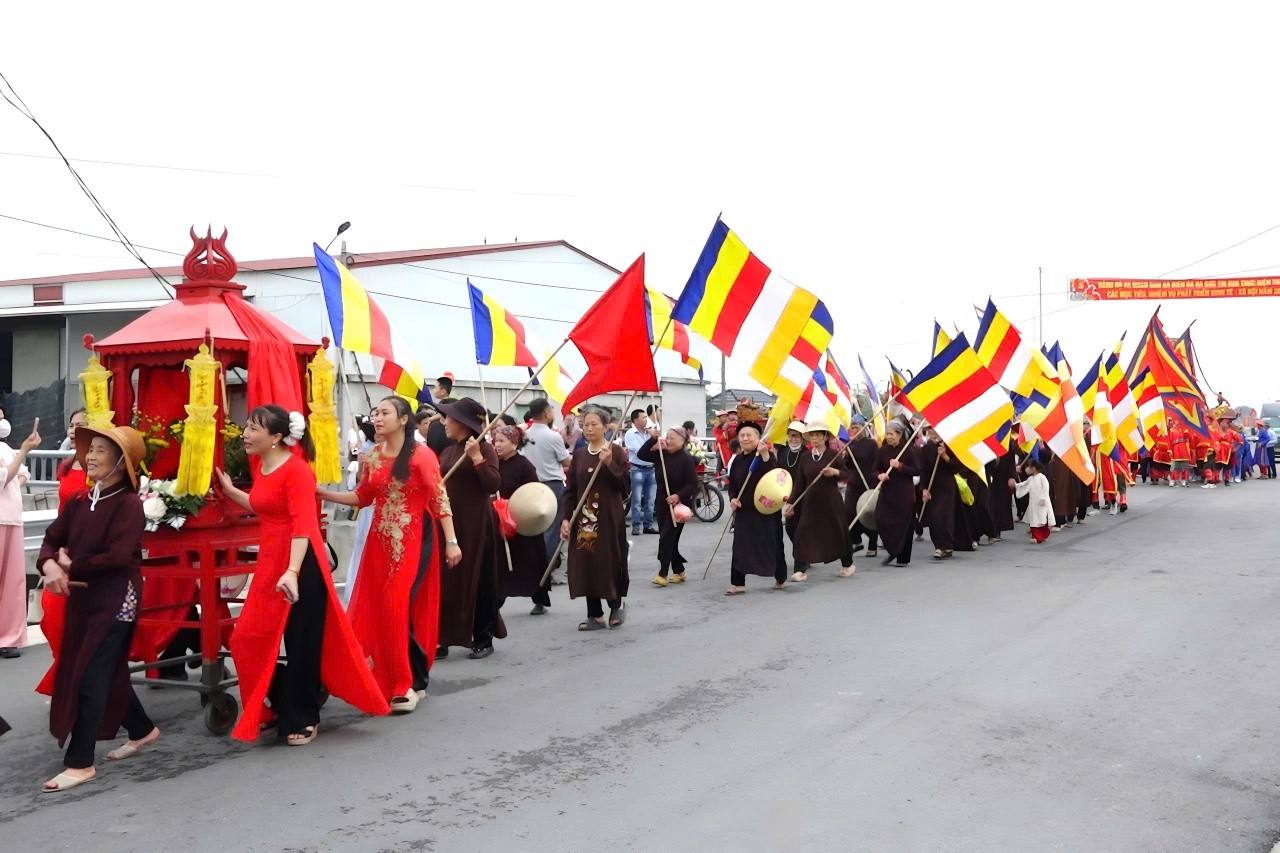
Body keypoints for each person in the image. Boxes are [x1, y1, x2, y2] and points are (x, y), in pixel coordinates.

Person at [218, 405, 388, 745]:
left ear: (276, 437)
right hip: (272, 563)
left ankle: (304, 716)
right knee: (245, 639)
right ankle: (280, 702)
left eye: (253, 429)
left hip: (301, 564)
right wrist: (230, 491)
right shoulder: (262, 465)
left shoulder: (298, 471)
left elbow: (303, 525)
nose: (245, 434)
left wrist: (293, 571)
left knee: (301, 643)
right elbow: (264, 505)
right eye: (247, 427)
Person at [36, 422, 160, 792]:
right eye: (90, 449)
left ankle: (80, 762)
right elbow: (52, 538)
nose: (90, 456)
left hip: (117, 600)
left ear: (122, 463)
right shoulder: (79, 501)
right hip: (85, 598)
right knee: (107, 670)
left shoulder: (128, 505)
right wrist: (49, 565)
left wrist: (72, 564)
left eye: (100, 451)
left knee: (91, 673)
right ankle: (141, 729)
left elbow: (117, 557)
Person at [316, 397, 460, 712]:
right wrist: (324, 494)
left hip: (413, 540)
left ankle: (403, 683)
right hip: (378, 543)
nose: (377, 418)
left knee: (396, 606)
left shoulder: (421, 455)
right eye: (375, 413)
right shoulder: (373, 456)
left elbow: (439, 499)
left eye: (385, 413)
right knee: (381, 609)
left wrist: (451, 541)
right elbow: (363, 497)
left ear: (404, 419)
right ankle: (406, 678)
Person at [436, 397, 504, 659]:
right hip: (450, 523)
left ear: (462, 423)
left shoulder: (484, 449)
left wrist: (477, 458)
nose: (444, 422)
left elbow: (493, 484)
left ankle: (483, 637)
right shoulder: (447, 451)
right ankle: (443, 636)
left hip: (476, 524)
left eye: (449, 418)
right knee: (448, 581)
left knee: (479, 580)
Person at [34, 410, 90, 687]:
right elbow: (61, 512)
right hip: (63, 546)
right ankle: (67, 673)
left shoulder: (101, 468)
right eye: (71, 425)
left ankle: (73, 680)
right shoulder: (66, 466)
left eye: (81, 425)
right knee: (52, 614)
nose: (73, 430)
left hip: (89, 548)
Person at [561, 405, 630, 629]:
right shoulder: (579, 455)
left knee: (609, 560)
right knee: (587, 561)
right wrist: (566, 518)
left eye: (594, 424)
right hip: (585, 519)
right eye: (585, 424)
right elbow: (571, 490)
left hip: (609, 518)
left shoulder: (616, 452)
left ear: (606, 427)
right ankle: (595, 614)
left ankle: (616, 604)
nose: (589, 428)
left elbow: (625, 487)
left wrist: (609, 463)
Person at [492, 424, 552, 615]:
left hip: (523, 520)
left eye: (501, 441)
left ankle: (540, 598)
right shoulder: (494, 464)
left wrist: (517, 505)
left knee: (530, 561)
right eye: (496, 440)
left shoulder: (525, 465)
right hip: (502, 520)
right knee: (502, 562)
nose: (497, 444)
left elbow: (534, 492)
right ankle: (497, 600)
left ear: (514, 443)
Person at [725, 420, 787, 594]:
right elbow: (732, 485)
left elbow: (774, 476)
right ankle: (738, 583)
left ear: (758, 437)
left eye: (749, 435)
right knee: (739, 546)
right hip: (744, 510)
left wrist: (765, 454)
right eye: (742, 435)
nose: (745, 438)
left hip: (765, 509)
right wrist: (733, 499)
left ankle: (780, 576)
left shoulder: (766, 456)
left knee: (773, 543)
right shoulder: (737, 460)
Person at [786, 422, 854, 579]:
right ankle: (800, 569)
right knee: (801, 533)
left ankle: (847, 564)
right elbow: (799, 483)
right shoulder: (805, 457)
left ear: (825, 437)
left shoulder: (834, 455)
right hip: (810, 502)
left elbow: (847, 474)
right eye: (812, 435)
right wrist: (791, 503)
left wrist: (835, 472)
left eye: (817, 435)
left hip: (831, 502)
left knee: (838, 533)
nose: (814, 438)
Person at [639, 426, 698, 586]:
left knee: (666, 538)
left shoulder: (685, 458)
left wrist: (678, 495)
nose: (668, 441)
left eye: (672, 438)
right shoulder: (661, 454)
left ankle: (663, 573)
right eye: (667, 437)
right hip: (662, 502)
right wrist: (653, 438)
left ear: (682, 440)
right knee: (669, 540)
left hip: (679, 505)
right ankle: (679, 571)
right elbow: (641, 454)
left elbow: (693, 483)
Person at [0, 408, 38, 659]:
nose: (2, 422)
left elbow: (21, 473)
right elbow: (3, 477)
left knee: (13, 583)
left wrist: (13, 482)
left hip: (12, 517)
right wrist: (23, 450)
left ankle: (9, 638)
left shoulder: (4, 448)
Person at [522, 397, 571, 580]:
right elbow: (566, 461)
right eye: (551, 410)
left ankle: (534, 567)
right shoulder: (553, 436)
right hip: (552, 485)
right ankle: (545, 570)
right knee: (551, 530)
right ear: (546, 413)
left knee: (535, 529)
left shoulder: (525, 435)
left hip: (531, 485)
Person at [874, 420, 922, 566]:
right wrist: (880, 475)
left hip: (903, 493)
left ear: (899, 434)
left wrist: (900, 466)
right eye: (887, 434)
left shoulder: (908, 450)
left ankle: (902, 557)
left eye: (891, 434)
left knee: (903, 526)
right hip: (887, 492)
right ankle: (893, 549)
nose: (888, 437)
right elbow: (875, 469)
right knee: (881, 519)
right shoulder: (883, 450)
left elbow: (916, 470)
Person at [341, 418, 377, 604]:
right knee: (363, 547)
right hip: (369, 510)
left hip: (390, 513)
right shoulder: (368, 452)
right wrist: (362, 466)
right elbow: (358, 488)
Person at [919, 428, 962, 560]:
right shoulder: (926, 449)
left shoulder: (949, 445)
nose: (932, 431)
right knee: (933, 517)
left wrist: (945, 456)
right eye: (929, 429)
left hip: (946, 487)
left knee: (944, 516)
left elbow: (957, 467)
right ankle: (938, 546)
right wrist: (924, 489)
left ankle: (947, 545)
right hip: (932, 487)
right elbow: (923, 470)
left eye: (933, 429)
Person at [843, 416, 880, 558]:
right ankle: (856, 540)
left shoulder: (871, 444)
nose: (854, 430)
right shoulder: (850, 444)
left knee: (868, 512)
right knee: (849, 512)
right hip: (854, 483)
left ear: (863, 427)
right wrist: (846, 455)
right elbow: (847, 465)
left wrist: (875, 482)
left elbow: (876, 463)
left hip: (868, 482)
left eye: (857, 428)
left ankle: (872, 544)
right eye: (852, 428)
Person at [623, 409, 659, 536]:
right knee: (637, 500)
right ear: (635, 420)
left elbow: (658, 447)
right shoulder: (630, 434)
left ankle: (648, 525)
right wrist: (651, 442)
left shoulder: (650, 431)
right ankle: (636, 526)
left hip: (651, 468)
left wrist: (654, 436)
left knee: (650, 500)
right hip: (637, 468)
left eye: (646, 417)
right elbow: (640, 451)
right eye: (643, 417)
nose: (645, 420)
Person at [778, 421, 807, 570]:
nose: (793, 439)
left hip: (803, 495)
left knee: (800, 529)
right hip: (787, 494)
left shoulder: (806, 453)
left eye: (796, 436)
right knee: (790, 528)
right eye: (791, 436)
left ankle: (800, 562)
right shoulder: (783, 451)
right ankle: (803, 553)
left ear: (802, 437)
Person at [1013, 457, 1054, 543]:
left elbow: (1046, 488)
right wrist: (1016, 485)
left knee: (1041, 519)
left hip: (1041, 503)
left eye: (1027, 467)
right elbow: (1024, 484)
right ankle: (1035, 537)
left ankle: (1040, 536)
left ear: (1033, 468)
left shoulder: (1042, 477)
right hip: (1033, 503)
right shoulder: (1030, 479)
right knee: (1034, 520)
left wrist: (1043, 498)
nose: (1026, 469)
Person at [425, 374, 458, 456]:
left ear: (443, 391)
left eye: (435, 388)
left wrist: (431, 418)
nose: (433, 390)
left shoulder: (449, 406)